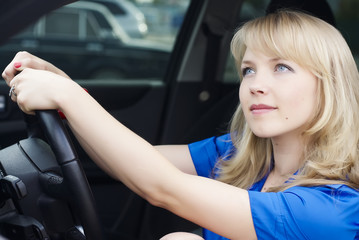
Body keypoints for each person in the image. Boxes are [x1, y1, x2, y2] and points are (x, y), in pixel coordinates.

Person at [3, 10, 359, 240]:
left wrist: (68, 97)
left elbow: (162, 186)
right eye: (249, 69)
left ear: (328, 85)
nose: (255, 84)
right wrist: (65, 87)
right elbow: (134, 159)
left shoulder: (332, 208)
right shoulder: (240, 153)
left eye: (281, 67)